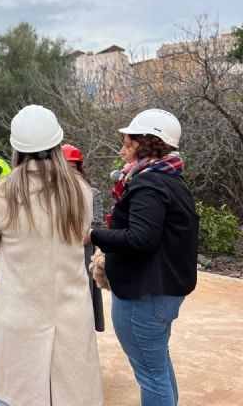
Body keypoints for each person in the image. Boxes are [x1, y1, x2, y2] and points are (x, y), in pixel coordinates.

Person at [0, 105, 103, 406]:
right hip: (71, 316)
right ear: (57, 145)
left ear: (16, 148)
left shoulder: (2, 193)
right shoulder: (81, 191)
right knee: (72, 394)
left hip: (19, 316)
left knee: (13, 395)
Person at [85, 109, 199, 406]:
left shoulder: (149, 184)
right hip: (163, 290)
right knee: (157, 366)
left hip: (144, 295)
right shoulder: (171, 178)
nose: (122, 149)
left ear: (145, 143)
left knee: (151, 373)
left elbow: (141, 238)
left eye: (127, 142)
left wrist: (94, 235)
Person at [62, 144, 105, 332]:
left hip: (82, 252)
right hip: (58, 255)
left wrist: (75, 242)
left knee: (83, 298)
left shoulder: (92, 193)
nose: (70, 173)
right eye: (65, 168)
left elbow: (96, 223)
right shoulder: (53, 195)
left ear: (79, 169)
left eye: (73, 168)